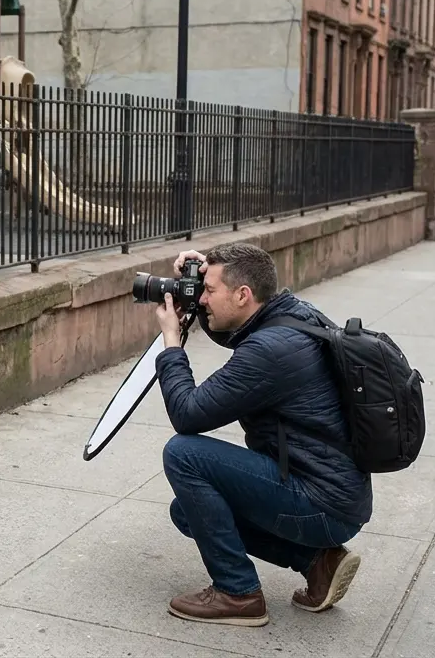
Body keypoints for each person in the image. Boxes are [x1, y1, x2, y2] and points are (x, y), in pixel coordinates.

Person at [150, 242, 369, 627]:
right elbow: (235, 330)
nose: (202, 299)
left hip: (321, 502)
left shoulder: (271, 351)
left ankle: (238, 593)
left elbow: (187, 415)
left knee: (183, 453)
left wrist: (171, 342)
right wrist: (208, 276)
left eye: (209, 291)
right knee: (187, 512)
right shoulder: (290, 314)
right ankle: (319, 561)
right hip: (337, 493)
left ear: (243, 294)